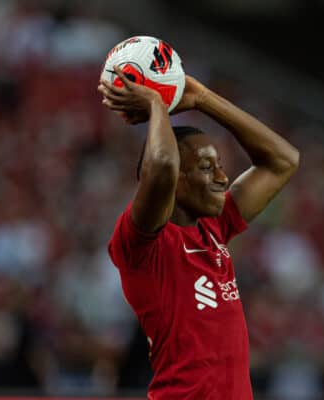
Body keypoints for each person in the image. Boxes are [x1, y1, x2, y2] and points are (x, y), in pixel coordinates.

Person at [99, 65, 299, 400]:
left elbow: (283, 160)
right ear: (176, 181)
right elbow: (161, 165)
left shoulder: (216, 228)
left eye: (220, 165)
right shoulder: (142, 246)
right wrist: (156, 103)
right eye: (207, 167)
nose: (223, 178)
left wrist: (202, 98)